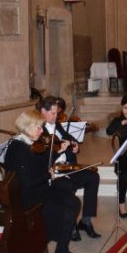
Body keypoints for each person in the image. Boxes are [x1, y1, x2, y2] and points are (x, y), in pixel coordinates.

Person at [4, 109, 83, 253]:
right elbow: (27, 182)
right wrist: (49, 175)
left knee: (72, 200)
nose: (42, 130)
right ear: (27, 127)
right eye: (38, 127)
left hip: (35, 190)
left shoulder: (27, 143)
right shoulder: (19, 149)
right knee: (68, 208)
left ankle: (59, 248)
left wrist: (57, 152)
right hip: (27, 199)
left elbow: (40, 163)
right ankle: (56, 246)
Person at [37, 96, 101, 241]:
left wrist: (74, 145)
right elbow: (41, 158)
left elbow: (68, 137)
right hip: (53, 173)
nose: (55, 116)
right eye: (52, 113)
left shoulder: (57, 124)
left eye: (56, 113)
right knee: (66, 186)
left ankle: (85, 221)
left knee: (93, 177)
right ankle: (69, 224)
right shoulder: (38, 131)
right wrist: (57, 152)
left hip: (67, 167)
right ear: (43, 112)